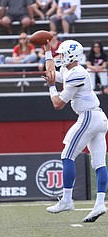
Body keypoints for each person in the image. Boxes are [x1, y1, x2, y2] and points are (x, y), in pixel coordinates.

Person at [43, 39, 108, 223]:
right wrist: (48, 52)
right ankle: (100, 204)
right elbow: (51, 73)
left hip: (88, 117)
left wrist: (50, 87)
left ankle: (66, 200)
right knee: (99, 163)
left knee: (67, 155)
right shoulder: (70, 70)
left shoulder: (76, 74)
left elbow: (57, 104)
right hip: (99, 117)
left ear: (71, 55)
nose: (60, 57)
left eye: (62, 54)